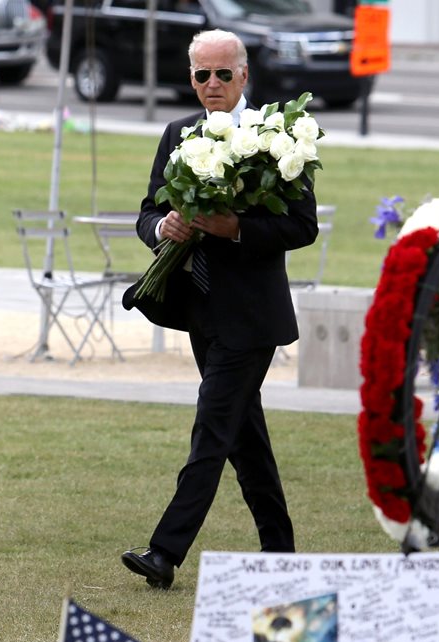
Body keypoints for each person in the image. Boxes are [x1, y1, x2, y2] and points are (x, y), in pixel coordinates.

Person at [120, 29, 319, 590]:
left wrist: (235, 229)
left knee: (212, 428)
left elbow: (302, 226)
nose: (211, 84)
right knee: (244, 437)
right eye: (200, 75)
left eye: (222, 74)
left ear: (244, 75)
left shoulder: (276, 138)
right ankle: (281, 553)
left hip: (252, 318)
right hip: (198, 309)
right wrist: (164, 227)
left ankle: (165, 552)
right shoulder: (177, 133)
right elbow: (146, 212)